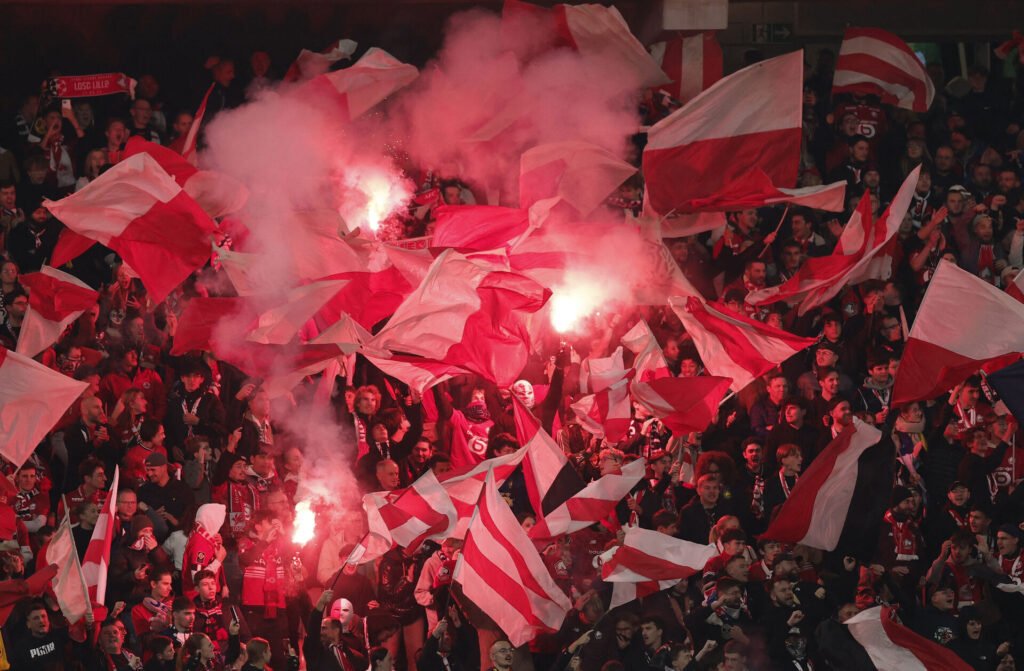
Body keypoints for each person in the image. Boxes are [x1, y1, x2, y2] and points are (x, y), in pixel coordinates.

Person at [303, 589, 368, 671]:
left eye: (324, 628)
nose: (320, 632)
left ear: (336, 630)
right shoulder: (316, 652)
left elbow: (365, 665)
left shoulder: (352, 654)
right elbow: (313, 629)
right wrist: (321, 603)